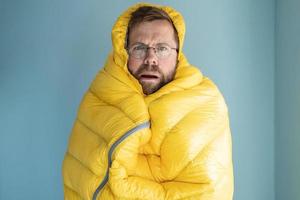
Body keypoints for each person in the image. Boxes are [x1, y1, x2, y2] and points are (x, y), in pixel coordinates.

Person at [62, 3, 234, 200]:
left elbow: (207, 192)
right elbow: (79, 177)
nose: (151, 58)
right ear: (124, 52)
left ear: (178, 54)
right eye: (139, 48)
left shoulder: (203, 103)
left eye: (162, 49)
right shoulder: (101, 94)